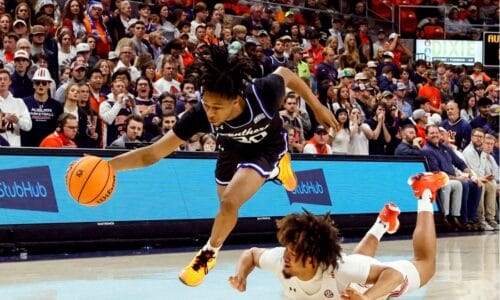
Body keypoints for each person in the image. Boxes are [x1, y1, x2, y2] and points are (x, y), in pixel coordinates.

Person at [100, 46, 338, 287]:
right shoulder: (200, 114)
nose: (209, 113)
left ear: (236, 101)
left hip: (267, 147)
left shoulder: (263, 92)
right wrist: (107, 167)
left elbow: (288, 74)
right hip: (231, 148)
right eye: (206, 104)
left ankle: (207, 255)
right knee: (224, 205)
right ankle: (277, 172)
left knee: (229, 202)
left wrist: (317, 107)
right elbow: (152, 153)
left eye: (216, 108)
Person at [229, 172, 449, 299]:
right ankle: (383, 222)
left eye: (294, 253)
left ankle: (425, 193)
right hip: (354, 273)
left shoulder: (341, 270)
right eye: (288, 249)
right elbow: (251, 254)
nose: (286, 256)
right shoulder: (280, 260)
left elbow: (393, 275)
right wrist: (241, 275)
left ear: (313, 259)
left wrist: (367, 298)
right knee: (359, 261)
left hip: (376, 288)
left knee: (426, 264)